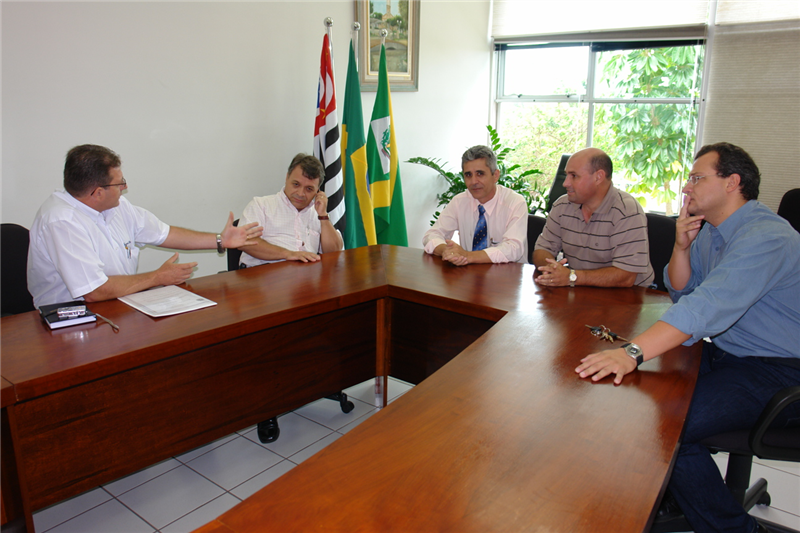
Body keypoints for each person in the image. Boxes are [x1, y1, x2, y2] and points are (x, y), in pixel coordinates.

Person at [575, 142, 800, 533]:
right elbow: (682, 291)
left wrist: (633, 351)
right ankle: (680, 489)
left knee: (668, 430)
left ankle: (735, 529)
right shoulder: (713, 231)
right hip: (731, 353)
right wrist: (682, 245)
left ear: (733, 182)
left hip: (779, 370)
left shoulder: (766, 236)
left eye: (697, 178)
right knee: (644, 398)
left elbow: (706, 308)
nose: (686, 187)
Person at [28, 144, 263, 308]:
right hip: (70, 320)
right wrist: (157, 277)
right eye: (120, 183)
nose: (125, 186)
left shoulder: (117, 207)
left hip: (117, 305)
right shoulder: (61, 221)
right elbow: (94, 291)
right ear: (97, 193)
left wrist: (220, 240)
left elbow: (165, 233)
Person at [533, 147, 653, 288]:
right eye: (566, 175)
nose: (565, 183)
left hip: (630, 296)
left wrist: (572, 276)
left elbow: (626, 277)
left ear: (598, 177)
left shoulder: (627, 211)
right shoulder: (562, 205)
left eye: (574, 176)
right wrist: (552, 269)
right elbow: (542, 250)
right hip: (580, 290)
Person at [422, 145, 527, 265]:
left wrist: (467, 255)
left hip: (508, 277)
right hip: (469, 274)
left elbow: (513, 249)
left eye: (480, 174)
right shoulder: (459, 201)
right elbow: (431, 235)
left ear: (495, 175)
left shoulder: (515, 203)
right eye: (468, 175)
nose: (473, 182)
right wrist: (446, 250)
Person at [238, 154, 343, 268]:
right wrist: (288, 254)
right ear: (287, 177)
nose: (300, 193)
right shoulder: (261, 205)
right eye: (296, 184)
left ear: (317, 191)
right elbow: (244, 242)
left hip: (307, 278)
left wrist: (323, 216)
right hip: (262, 275)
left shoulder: (318, 213)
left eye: (309, 189)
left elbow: (334, 252)